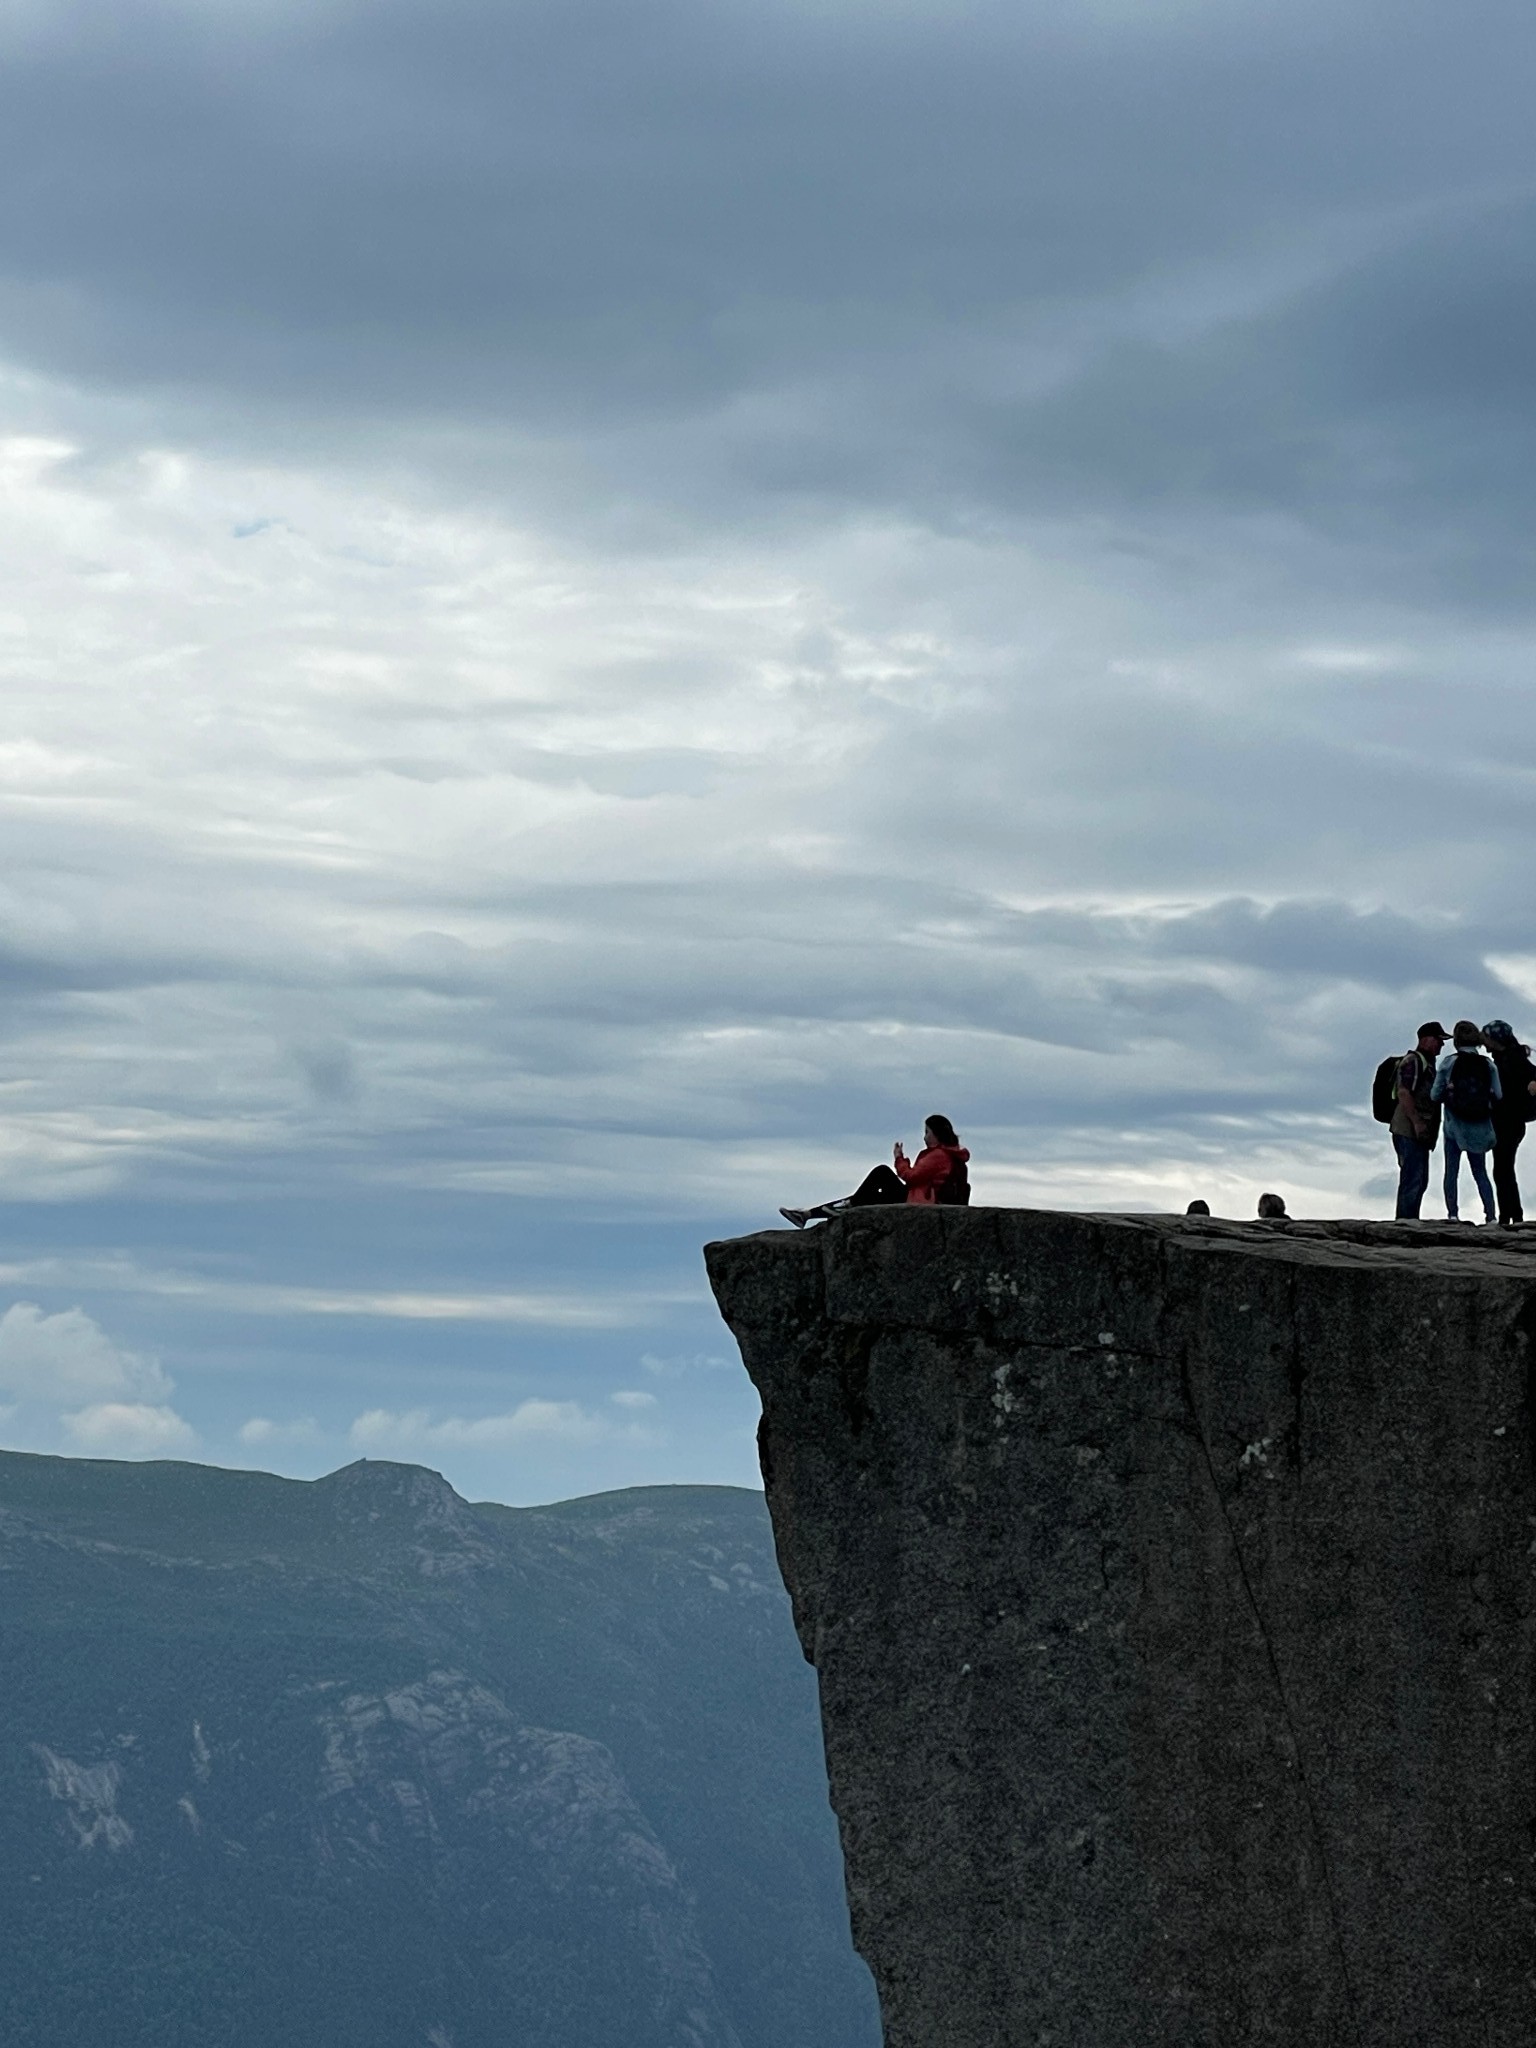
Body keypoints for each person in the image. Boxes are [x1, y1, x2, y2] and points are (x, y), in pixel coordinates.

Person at [780, 1116, 970, 1227]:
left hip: (921, 1204)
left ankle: (837, 1207)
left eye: (927, 1132)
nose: (924, 1136)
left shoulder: (939, 1155)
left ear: (936, 1134)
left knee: (882, 1173)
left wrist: (899, 1158)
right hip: (924, 1201)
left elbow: (910, 1177)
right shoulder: (951, 1156)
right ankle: (807, 1215)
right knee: (868, 1198)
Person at [1430, 1021, 1501, 1224]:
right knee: (1480, 1172)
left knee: (1451, 1171)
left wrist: (1449, 1092)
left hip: (1454, 1124)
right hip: (1480, 1124)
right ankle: (1491, 1216)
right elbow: (1499, 1094)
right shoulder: (1488, 1065)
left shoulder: (1448, 1063)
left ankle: (1453, 1214)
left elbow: (1435, 1095)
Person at [1390, 1021, 1448, 1220]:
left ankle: (1409, 1220)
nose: (1441, 1045)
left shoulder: (1426, 1063)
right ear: (1425, 1039)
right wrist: (1417, 1122)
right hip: (1409, 1129)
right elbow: (1404, 1093)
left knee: (1419, 1180)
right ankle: (1405, 1223)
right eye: (1439, 1040)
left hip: (1419, 1131)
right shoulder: (1413, 1061)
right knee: (1412, 1179)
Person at [1482, 1019, 1536, 1229]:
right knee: (1504, 1169)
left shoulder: (1511, 1059)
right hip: (1509, 1121)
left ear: (1496, 1039)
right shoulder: (1506, 1057)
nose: (1484, 1043)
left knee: (1502, 1169)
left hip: (1508, 1121)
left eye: (1487, 1039)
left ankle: (1510, 1216)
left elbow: (1531, 1073)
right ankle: (1512, 1215)